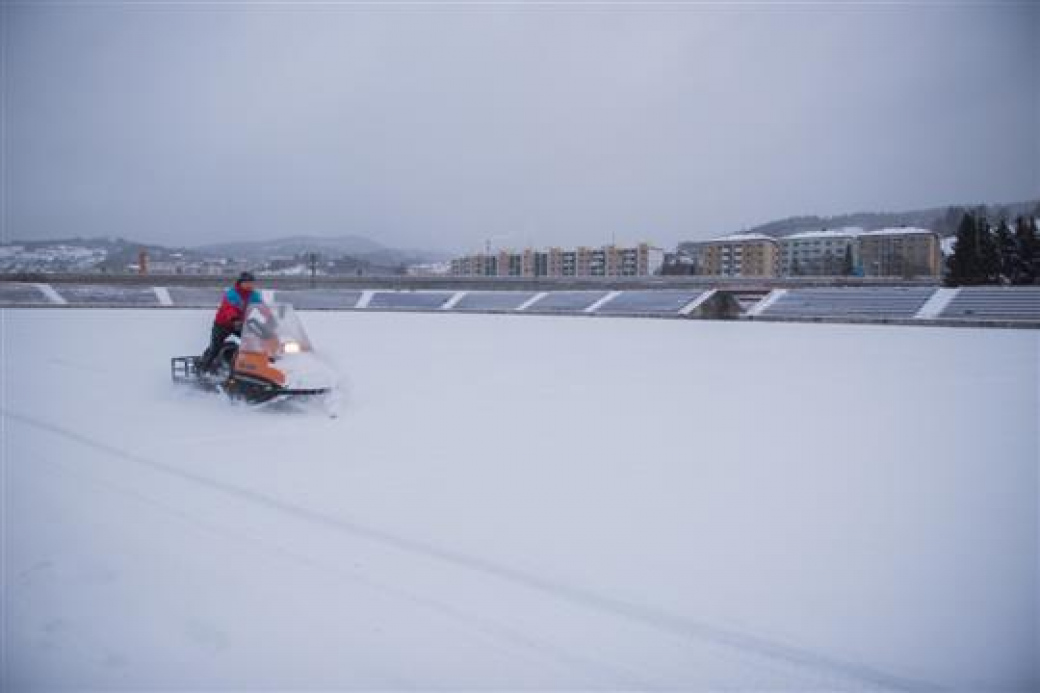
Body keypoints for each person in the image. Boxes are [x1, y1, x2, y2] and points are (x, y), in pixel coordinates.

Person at [198, 271, 264, 373]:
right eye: (247, 283)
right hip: (223, 324)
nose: (249, 285)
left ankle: (251, 369)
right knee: (216, 347)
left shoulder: (254, 295)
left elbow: (263, 307)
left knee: (253, 342)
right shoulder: (232, 294)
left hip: (240, 324)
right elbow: (229, 308)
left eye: (251, 283)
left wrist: (271, 318)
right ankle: (203, 371)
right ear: (240, 283)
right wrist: (234, 319)